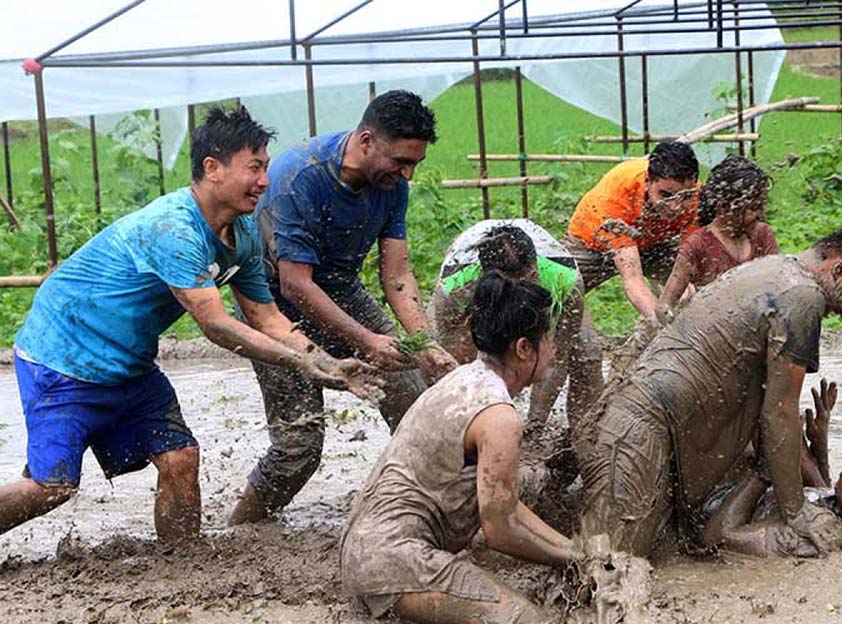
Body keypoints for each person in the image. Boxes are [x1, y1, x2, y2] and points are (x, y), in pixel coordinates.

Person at [0, 107, 378, 543]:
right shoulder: (174, 229)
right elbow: (215, 325)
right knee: (52, 487)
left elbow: (265, 315)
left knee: (181, 457)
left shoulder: (243, 233)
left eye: (266, 168)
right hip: (62, 358)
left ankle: (180, 565)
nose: (264, 181)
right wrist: (299, 363)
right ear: (212, 169)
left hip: (128, 363)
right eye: (254, 168)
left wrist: (326, 362)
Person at [576, 227, 842, 558]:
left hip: (634, 422)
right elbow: (780, 413)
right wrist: (796, 510)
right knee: (608, 571)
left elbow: (769, 410)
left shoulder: (772, 269)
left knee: (625, 560)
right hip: (643, 430)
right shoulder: (803, 298)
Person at [230, 90, 458, 525]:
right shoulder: (300, 175)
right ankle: (243, 529)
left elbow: (397, 275)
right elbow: (296, 284)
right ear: (367, 140)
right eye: (400, 162)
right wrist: (368, 341)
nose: (407, 175)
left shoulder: (391, 185)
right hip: (272, 302)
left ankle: (412, 512)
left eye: (415, 164)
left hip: (341, 288)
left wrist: (424, 343)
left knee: (412, 398)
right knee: (299, 446)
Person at [340, 272, 580, 624]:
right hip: (394, 561)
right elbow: (500, 531)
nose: (555, 350)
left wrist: (577, 554)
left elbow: (507, 506)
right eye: (549, 339)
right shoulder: (499, 417)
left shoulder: (464, 379)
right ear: (524, 348)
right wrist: (573, 560)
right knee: (524, 622)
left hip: (365, 553)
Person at [699, 380, 842, 557]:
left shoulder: (810, 542)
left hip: (712, 508)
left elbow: (716, 538)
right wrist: (817, 451)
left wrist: (765, 470)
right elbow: (823, 500)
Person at [431, 220, 603, 433]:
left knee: (587, 351)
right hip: (474, 292)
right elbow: (454, 360)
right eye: (509, 290)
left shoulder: (565, 280)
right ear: (487, 279)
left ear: (534, 274)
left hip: (548, 289)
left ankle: (585, 436)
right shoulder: (456, 287)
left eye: (521, 286)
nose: (516, 298)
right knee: (433, 356)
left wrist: (535, 426)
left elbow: (557, 358)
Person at [563, 141, 700, 320]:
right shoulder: (616, 198)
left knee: (697, 289)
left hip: (655, 244)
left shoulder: (695, 196)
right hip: (591, 246)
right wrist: (664, 329)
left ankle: (648, 341)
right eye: (665, 195)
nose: (675, 206)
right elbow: (633, 279)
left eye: (685, 197)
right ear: (648, 182)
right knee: (558, 291)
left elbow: (686, 263)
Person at [658, 155, 779, 319]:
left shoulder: (763, 236)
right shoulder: (698, 245)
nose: (760, 214)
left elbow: (777, 288)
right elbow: (665, 305)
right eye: (754, 208)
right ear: (722, 206)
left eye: (762, 205)